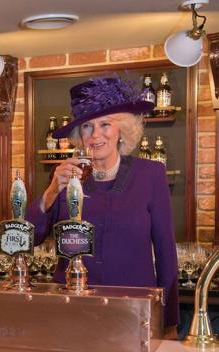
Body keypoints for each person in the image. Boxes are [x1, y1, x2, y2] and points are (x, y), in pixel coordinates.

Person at [25, 77, 179, 336]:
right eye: (87, 126)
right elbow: (28, 238)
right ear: (79, 135)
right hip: (71, 310)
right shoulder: (66, 176)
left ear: (121, 129)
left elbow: (166, 252)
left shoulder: (150, 174)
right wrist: (52, 191)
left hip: (132, 313)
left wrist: (169, 320)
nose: (96, 135)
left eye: (105, 124)